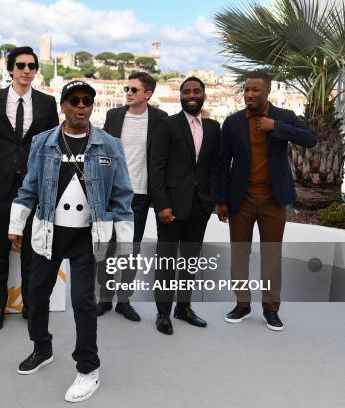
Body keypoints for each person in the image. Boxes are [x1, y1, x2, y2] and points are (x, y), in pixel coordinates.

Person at [8, 81, 134, 402]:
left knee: (82, 302)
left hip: (87, 236)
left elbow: (122, 196)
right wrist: (15, 225)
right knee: (35, 296)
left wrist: (124, 241)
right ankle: (42, 347)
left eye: (87, 102)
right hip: (49, 233)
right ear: (63, 105)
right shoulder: (43, 142)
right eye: (75, 101)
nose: (82, 106)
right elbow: (29, 188)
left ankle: (88, 369)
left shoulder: (109, 145)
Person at [218, 70, 317, 331]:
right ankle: (242, 304)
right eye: (246, 90)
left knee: (272, 255)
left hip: (274, 198)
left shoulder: (283, 117)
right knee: (240, 254)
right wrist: (222, 200)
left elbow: (310, 139)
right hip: (241, 198)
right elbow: (222, 164)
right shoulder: (232, 122)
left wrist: (276, 128)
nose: (249, 94)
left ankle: (271, 309)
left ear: (267, 92)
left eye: (255, 90)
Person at [0, 46, 59, 331]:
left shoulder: (47, 103)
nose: (27, 70)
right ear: (11, 68)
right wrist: (2, 158)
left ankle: (30, 304)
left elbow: (54, 145)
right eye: (21, 65)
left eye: (32, 66)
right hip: (0, 185)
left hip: (35, 186)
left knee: (32, 250)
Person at [149, 76, 221, 335]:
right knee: (167, 262)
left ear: (203, 95)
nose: (191, 95)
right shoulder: (167, 125)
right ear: (180, 96)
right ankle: (163, 313)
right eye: (186, 91)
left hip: (199, 207)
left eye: (196, 91)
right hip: (170, 208)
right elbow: (156, 167)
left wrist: (210, 199)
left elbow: (215, 166)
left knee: (191, 262)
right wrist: (161, 205)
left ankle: (184, 307)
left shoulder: (213, 127)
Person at [97, 71, 168, 321]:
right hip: (110, 193)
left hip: (139, 196)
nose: (128, 92)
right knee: (105, 247)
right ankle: (104, 298)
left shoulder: (160, 119)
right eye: (126, 88)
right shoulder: (113, 115)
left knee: (130, 250)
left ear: (148, 94)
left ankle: (124, 301)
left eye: (134, 90)